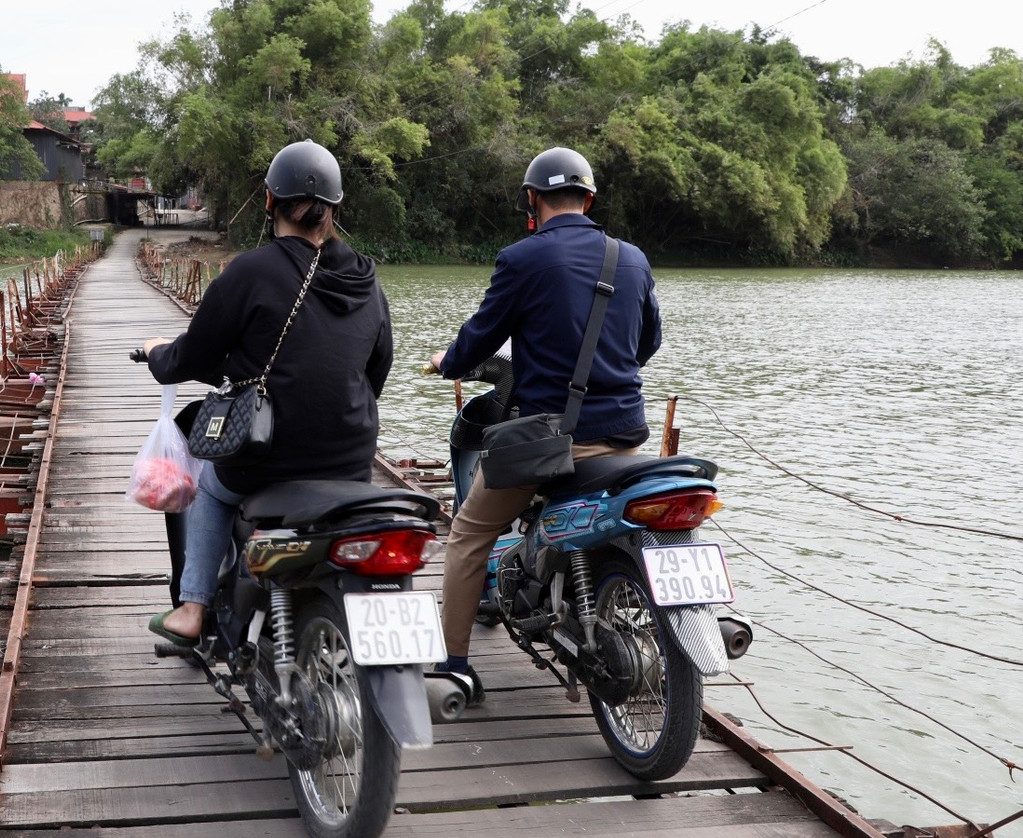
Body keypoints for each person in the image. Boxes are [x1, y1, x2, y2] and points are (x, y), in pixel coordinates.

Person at [428, 146, 662, 706]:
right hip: (626, 435)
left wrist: (448, 362)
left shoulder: (522, 258)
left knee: (467, 535)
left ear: (532, 201)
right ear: (589, 199)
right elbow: (648, 342)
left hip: (550, 445)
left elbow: (480, 336)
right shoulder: (631, 258)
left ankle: (454, 665)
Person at [142, 140, 393, 645]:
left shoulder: (251, 271)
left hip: (268, 457)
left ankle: (192, 609)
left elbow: (191, 356)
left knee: (211, 486)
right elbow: (378, 370)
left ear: (268, 201)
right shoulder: (367, 281)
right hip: (350, 459)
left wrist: (156, 354)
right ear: (335, 210)